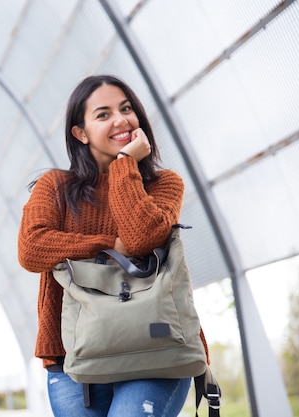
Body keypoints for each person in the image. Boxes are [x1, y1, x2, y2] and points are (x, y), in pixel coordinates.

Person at [18, 75, 209, 416]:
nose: (121, 120)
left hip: (157, 350)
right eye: (103, 114)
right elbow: (32, 249)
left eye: (126, 109)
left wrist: (124, 164)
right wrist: (107, 243)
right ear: (81, 132)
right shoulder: (55, 187)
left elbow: (141, 237)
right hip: (73, 357)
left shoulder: (164, 184)